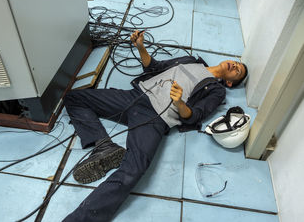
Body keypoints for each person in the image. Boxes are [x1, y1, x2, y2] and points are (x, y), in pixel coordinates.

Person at [62, 30, 248, 222]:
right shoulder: (192, 60)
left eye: (238, 70)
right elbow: (153, 68)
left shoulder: (217, 91)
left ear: (230, 83)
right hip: (135, 97)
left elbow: (194, 117)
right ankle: (104, 145)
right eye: (236, 62)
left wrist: (179, 103)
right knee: (74, 98)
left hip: (155, 117)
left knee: (133, 169)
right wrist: (141, 47)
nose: (234, 65)